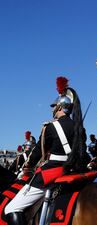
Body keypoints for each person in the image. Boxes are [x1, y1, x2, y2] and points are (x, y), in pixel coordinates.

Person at [4, 76, 87, 225]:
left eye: (54, 106)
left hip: (53, 172)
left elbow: (36, 154)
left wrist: (27, 166)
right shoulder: (79, 127)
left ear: (60, 107)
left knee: (11, 208)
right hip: (73, 170)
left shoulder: (50, 127)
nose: (53, 109)